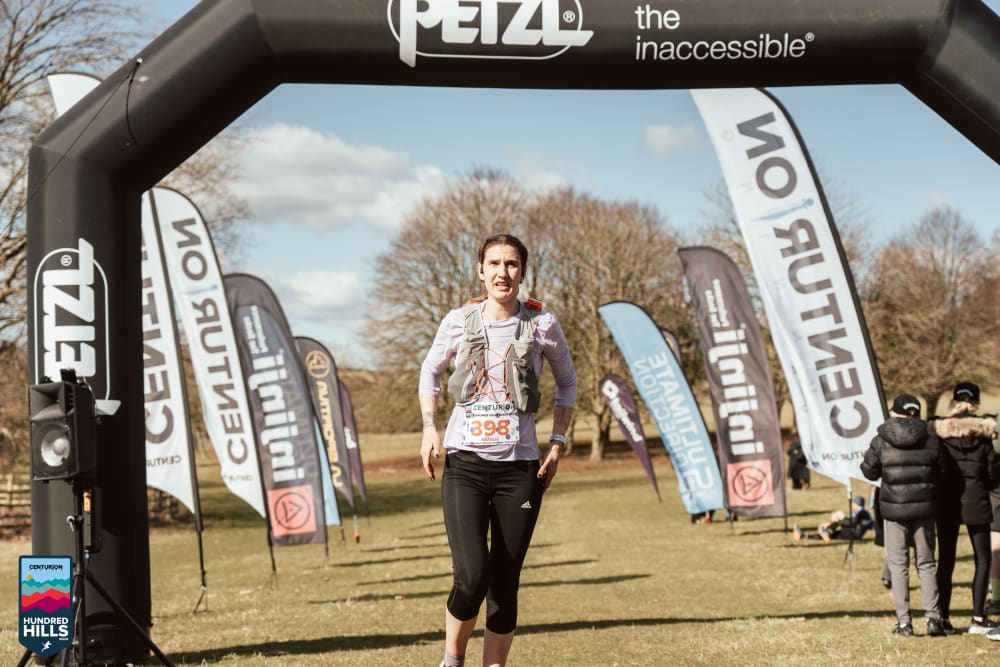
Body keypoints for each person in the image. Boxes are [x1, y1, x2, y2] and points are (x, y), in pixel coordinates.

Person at [418, 234, 577, 667]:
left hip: (520, 471)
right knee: (471, 577)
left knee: (505, 584)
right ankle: (453, 660)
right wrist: (430, 429)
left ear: (522, 272)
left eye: (511, 264)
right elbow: (430, 372)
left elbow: (568, 382)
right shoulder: (458, 321)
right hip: (465, 467)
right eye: (494, 263)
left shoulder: (542, 325)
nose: (502, 272)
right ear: (480, 270)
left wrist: (558, 443)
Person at [860, 393, 946, 637]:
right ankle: (933, 619)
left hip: (894, 510)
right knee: (927, 563)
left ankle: (905, 623)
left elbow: (869, 471)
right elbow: (943, 471)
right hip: (924, 509)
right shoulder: (931, 439)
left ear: (894, 412)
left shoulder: (880, 439)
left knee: (898, 566)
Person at [929, 381, 1000, 636]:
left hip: (946, 502)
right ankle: (978, 618)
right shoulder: (984, 435)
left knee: (946, 561)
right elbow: (993, 475)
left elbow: (935, 468)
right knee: (983, 559)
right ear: (977, 404)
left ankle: (943, 618)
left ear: (953, 402)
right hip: (977, 501)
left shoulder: (939, 434)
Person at [792, 496, 874, 542]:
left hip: (853, 534)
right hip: (851, 532)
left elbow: (852, 523)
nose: (852, 505)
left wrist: (838, 521)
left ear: (856, 504)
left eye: (853, 503)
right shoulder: (862, 512)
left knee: (838, 515)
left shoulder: (862, 513)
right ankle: (803, 535)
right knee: (830, 535)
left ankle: (827, 531)